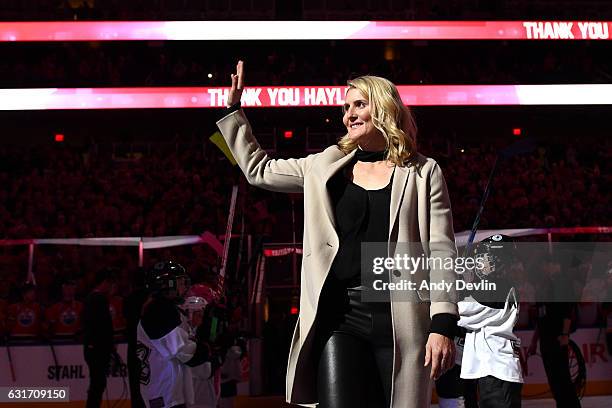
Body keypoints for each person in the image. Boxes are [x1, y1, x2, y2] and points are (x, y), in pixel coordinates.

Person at [216, 60, 458, 407]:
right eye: (346, 107)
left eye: (360, 104)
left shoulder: (423, 171)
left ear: (385, 107)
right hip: (340, 318)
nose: (349, 114)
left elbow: (441, 251)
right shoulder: (323, 165)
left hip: (402, 321)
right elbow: (259, 171)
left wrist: (443, 323)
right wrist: (233, 110)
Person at [137, 261, 212, 408]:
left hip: (163, 390)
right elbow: (185, 353)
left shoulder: (159, 308)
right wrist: (206, 349)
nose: (184, 286)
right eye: (179, 282)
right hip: (164, 393)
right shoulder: (159, 310)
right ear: (167, 284)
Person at [528, 256, 581, 408]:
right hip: (546, 338)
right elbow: (540, 316)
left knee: (562, 379)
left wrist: (565, 334)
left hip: (557, 337)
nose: (543, 270)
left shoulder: (563, 283)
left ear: (552, 265)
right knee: (554, 380)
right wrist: (533, 341)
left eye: (544, 266)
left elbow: (567, 312)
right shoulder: (544, 286)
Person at [82, 268, 116, 408]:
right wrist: (109, 345)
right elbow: (103, 326)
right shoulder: (99, 299)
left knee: (97, 383)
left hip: (93, 348)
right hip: (98, 349)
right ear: (105, 283)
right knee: (98, 383)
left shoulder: (90, 298)